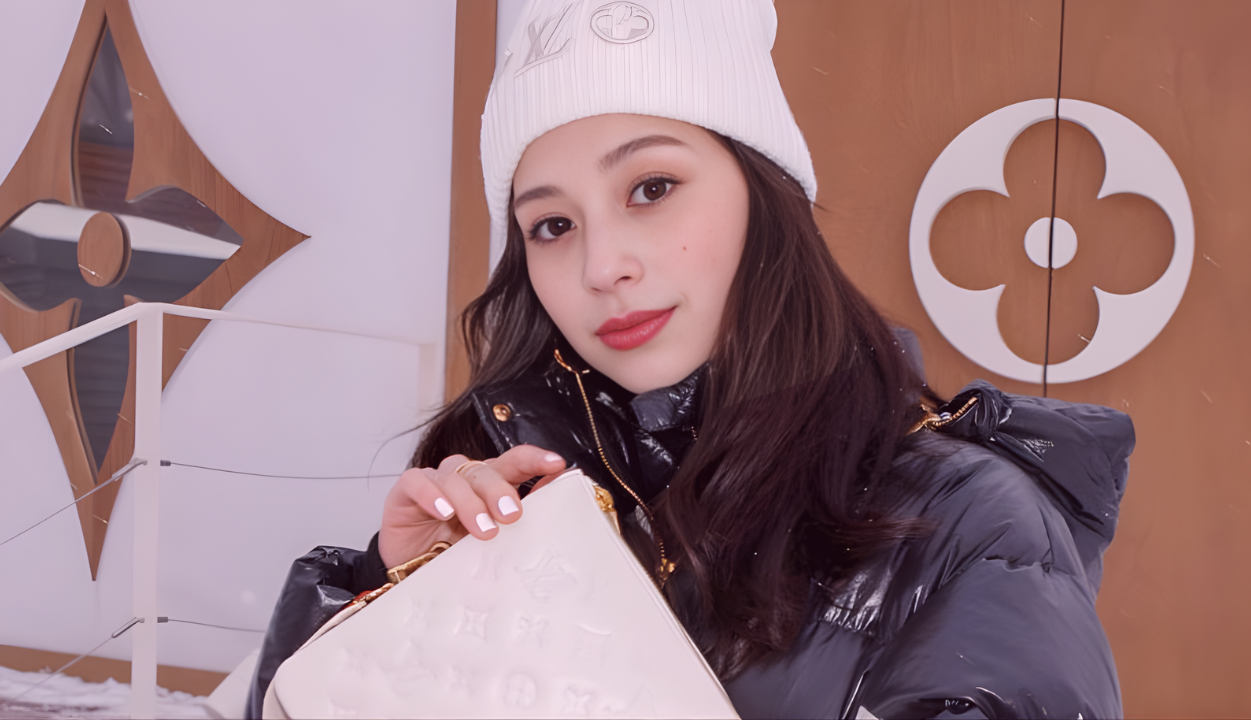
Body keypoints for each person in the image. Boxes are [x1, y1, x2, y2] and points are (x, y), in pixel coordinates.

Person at [249, 2, 1133, 718]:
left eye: (652, 188)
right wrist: (392, 620)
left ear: (764, 195)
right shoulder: (512, 493)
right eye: (552, 225)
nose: (602, 267)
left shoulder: (975, 527)